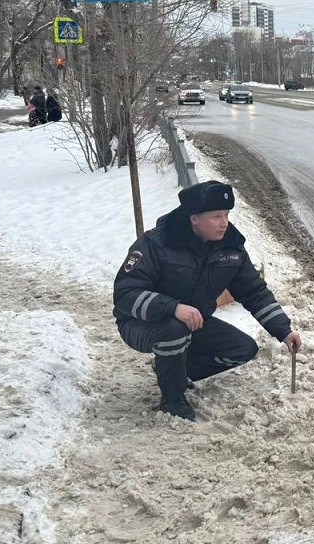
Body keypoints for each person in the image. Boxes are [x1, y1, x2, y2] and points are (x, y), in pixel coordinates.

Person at [112, 180, 302, 421]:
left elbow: (254, 291)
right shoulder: (156, 244)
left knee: (243, 349)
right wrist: (173, 307)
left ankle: (174, 370)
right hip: (141, 323)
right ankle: (173, 399)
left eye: (227, 215)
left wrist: (284, 330)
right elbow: (125, 294)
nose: (224, 223)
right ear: (194, 218)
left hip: (194, 321)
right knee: (173, 329)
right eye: (216, 216)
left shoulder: (231, 248)